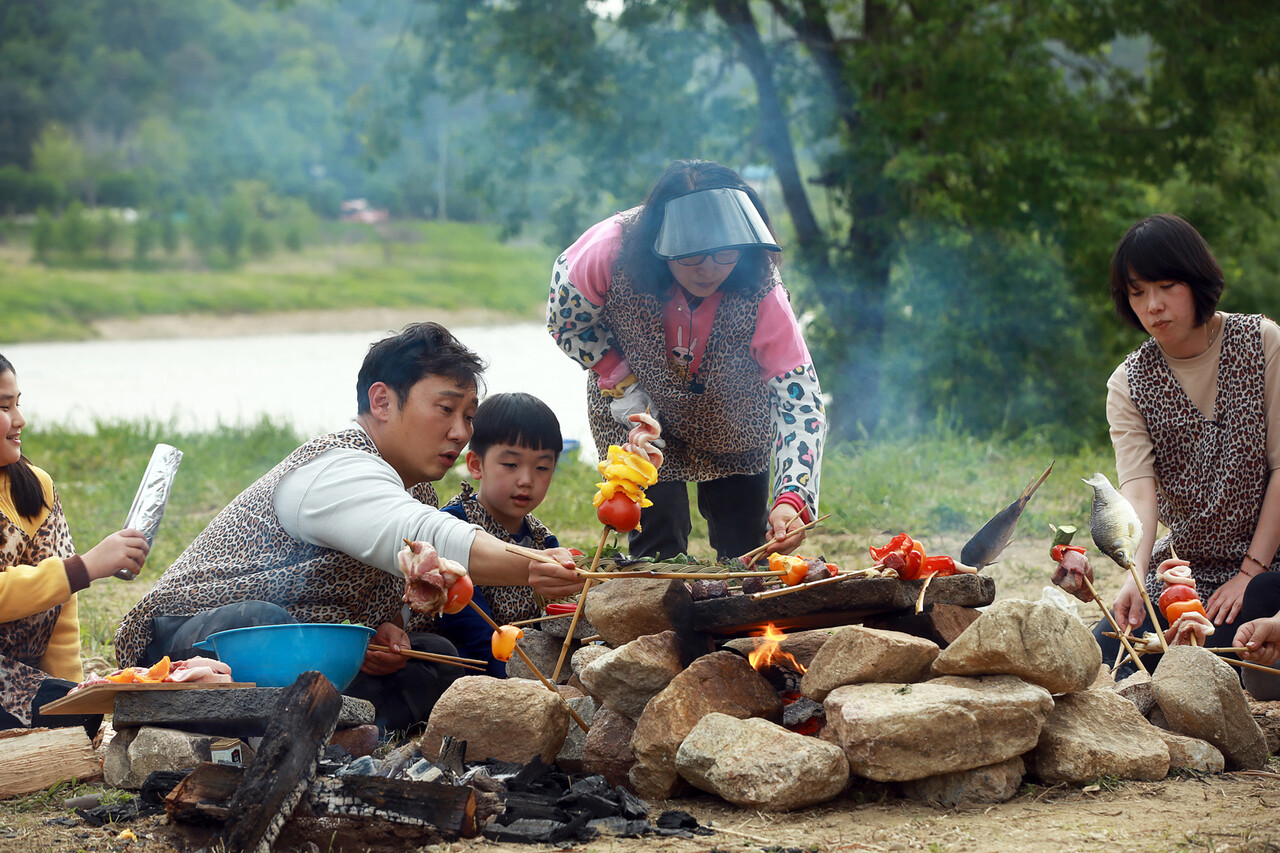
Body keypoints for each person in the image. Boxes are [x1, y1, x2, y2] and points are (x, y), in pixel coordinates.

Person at [114, 323, 582, 733]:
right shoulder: (336, 466)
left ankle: (329, 721)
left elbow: (399, 596)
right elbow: (428, 537)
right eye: (446, 409)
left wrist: (386, 634)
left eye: (469, 416)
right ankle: (269, 718)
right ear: (382, 401)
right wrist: (532, 564)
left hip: (309, 653)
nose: (461, 432)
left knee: (435, 654)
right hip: (183, 638)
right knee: (260, 623)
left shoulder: (416, 490)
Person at [548, 159, 827, 563]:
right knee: (655, 547)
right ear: (661, 243)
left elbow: (799, 401)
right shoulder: (608, 250)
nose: (709, 269)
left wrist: (792, 499)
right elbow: (565, 322)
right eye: (692, 255)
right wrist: (621, 381)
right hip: (636, 409)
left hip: (734, 416)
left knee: (748, 551)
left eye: (723, 254)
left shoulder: (761, 286)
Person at [1094, 213, 1280, 680]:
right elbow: (1138, 496)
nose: (1153, 305)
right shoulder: (1128, 384)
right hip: (1187, 573)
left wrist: (1249, 572)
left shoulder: (1262, 342)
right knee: (1113, 649)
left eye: (1166, 285)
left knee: (1256, 614)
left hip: (1269, 562)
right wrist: (1135, 578)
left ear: (1196, 282)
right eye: (1137, 292)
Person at [0, 354, 150, 735]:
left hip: (12, 682)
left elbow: (60, 616)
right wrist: (83, 568)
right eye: (4, 406)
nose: (20, 420)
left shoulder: (35, 487)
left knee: (79, 712)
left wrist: (74, 691)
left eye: (19, 403)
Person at [438, 392, 563, 675]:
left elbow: (554, 617)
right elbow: (466, 623)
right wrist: (512, 674)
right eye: (511, 465)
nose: (526, 480)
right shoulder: (455, 526)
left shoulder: (544, 540)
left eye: (542, 467)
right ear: (475, 465)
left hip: (533, 660)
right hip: (475, 661)